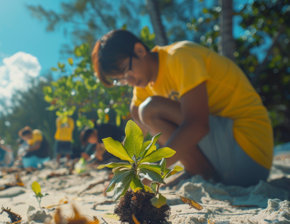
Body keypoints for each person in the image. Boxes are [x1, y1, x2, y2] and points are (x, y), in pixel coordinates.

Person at [92, 29, 273, 186]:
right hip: (227, 161)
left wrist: (152, 173)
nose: (129, 80)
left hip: (248, 152)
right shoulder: (143, 86)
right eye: (121, 79)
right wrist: (124, 173)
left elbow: (197, 125)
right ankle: (200, 173)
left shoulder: (180, 56)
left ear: (140, 50)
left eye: (126, 70)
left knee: (150, 109)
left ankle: (202, 174)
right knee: (140, 111)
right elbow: (135, 135)